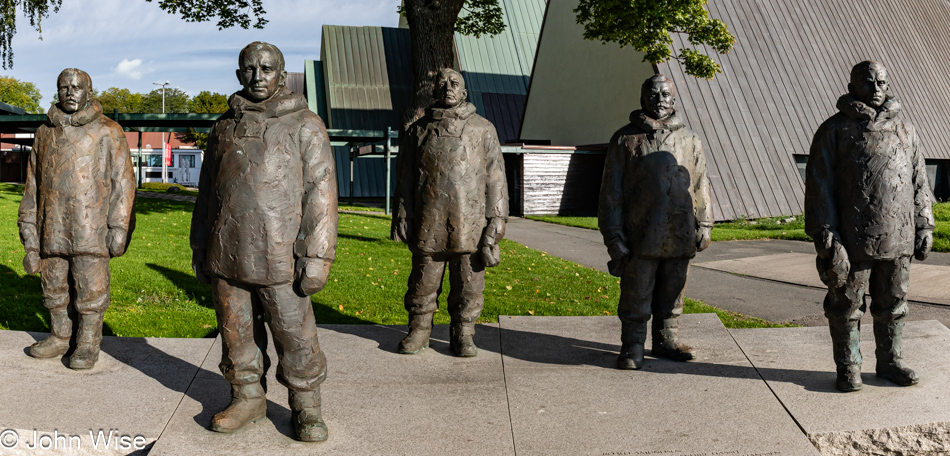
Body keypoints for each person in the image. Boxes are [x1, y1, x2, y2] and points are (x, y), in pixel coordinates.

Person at [190, 41, 338, 441]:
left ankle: (307, 405)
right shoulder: (222, 126)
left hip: (282, 255)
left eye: (267, 69)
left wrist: (319, 254)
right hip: (227, 251)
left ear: (282, 73)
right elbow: (207, 192)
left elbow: (321, 191)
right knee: (235, 332)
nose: (258, 76)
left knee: (294, 333)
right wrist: (200, 245)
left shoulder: (305, 123)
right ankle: (247, 396)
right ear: (239, 74)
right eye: (249, 69)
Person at [805, 60, 934, 392]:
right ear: (852, 87)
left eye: (881, 82)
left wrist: (924, 224)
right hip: (852, 237)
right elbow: (819, 187)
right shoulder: (833, 130)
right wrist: (827, 237)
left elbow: (919, 181)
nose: (876, 88)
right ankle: (849, 366)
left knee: (894, 303)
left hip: (898, 237)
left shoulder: (906, 130)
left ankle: (890, 361)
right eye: (868, 82)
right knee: (846, 305)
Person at [18, 68, 135, 370]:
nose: (69, 92)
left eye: (76, 87)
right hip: (52, 226)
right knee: (53, 287)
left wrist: (119, 227)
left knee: (90, 291)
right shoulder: (45, 133)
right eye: (63, 87)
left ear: (88, 92)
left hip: (90, 228)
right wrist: (29, 230)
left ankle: (87, 343)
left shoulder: (109, 130)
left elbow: (123, 182)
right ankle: (59, 335)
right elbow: (33, 183)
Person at [391, 68, 509, 357]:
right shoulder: (417, 130)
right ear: (433, 92)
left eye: (454, 83)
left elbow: (496, 177)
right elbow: (405, 177)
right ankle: (419, 330)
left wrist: (496, 221)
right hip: (429, 219)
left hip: (471, 222)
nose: (447, 88)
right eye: (441, 83)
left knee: (469, 283)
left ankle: (464, 333)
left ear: (464, 92)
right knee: (423, 281)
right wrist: (403, 214)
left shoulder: (483, 129)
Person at [599, 74, 713, 370]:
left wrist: (706, 224)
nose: (659, 99)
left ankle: (666, 340)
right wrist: (613, 235)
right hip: (641, 233)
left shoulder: (690, 139)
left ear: (673, 99)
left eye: (665, 94)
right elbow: (611, 193)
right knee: (637, 292)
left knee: (673, 290)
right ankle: (632, 345)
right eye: (653, 93)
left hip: (680, 230)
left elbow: (700, 183)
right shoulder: (625, 138)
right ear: (642, 98)